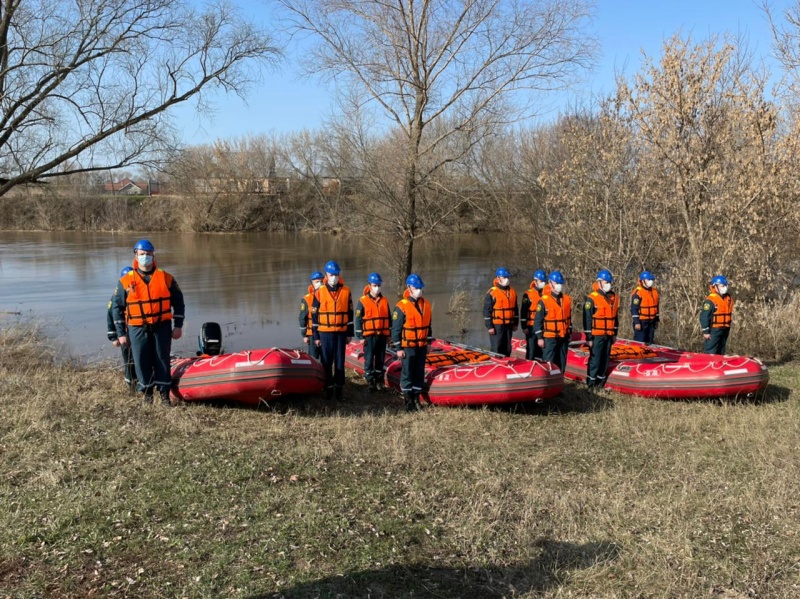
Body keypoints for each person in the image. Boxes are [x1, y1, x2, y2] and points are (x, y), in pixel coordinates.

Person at [111, 239, 185, 406]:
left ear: (153, 255)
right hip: (137, 329)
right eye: (142, 254)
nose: (145, 257)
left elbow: (179, 302)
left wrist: (178, 326)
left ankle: (165, 397)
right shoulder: (125, 281)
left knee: (162, 359)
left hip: (162, 327)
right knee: (141, 361)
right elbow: (117, 308)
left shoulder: (166, 278)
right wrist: (120, 334)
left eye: (149, 254)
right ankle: (147, 396)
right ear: (136, 255)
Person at [312, 260, 353, 400]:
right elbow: (314, 316)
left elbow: (350, 314)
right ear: (326, 275)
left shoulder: (346, 291)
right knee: (326, 361)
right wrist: (316, 336)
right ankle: (328, 388)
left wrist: (349, 333)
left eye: (336, 274)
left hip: (341, 332)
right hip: (325, 332)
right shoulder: (319, 292)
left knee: (340, 362)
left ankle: (339, 389)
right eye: (331, 274)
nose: (334, 277)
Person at [391, 274, 432, 412]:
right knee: (407, 373)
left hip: (421, 345)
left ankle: (416, 399)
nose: (419, 290)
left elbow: (428, 326)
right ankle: (408, 402)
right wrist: (398, 347)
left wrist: (428, 343)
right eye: (416, 287)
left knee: (419, 372)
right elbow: (396, 329)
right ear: (409, 288)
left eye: (420, 288)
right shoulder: (401, 306)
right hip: (407, 346)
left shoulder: (426, 304)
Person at [583, 269, 619, 390]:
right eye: (605, 282)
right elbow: (587, 319)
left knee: (605, 359)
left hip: (608, 334)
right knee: (595, 359)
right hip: (596, 334)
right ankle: (591, 384)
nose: (608, 284)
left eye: (609, 282)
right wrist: (589, 338)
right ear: (599, 282)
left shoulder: (612, 298)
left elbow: (615, 317)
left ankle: (600, 382)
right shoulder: (592, 298)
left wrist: (614, 333)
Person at [355, 272, 391, 391]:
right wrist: (360, 336)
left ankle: (379, 380)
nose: (377, 287)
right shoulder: (363, 301)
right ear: (369, 285)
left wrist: (389, 335)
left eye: (379, 285)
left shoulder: (385, 300)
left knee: (380, 359)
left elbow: (389, 319)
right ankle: (370, 381)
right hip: (369, 336)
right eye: (375, 285)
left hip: (381, 335)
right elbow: (358, 319)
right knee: (369, 359)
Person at [533, 271, 572, 373]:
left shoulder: (567, 300)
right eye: (556, 283)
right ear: (550, 283)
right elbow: (537, 321)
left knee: (562, 361)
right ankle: (548, 383)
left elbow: (569, 318)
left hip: (563, 336)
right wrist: (540, 338)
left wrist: (570, 333)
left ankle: (559, 382)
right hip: (549, 337)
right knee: (549, 361)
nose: (559, 285)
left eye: (560, 283)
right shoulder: (544, 301)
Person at [107, 266, 136, 391]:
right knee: (129, 360)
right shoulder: (116, 297)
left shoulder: (137, 292)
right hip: (123, 333)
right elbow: (110, 315)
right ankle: (131, 385)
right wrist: (114, 336)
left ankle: (143, 382)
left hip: (137, 331)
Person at [483, 267, 518, 357]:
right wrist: (489, 326)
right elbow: (487, 311)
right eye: (504, 277)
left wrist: (515, 324)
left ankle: (506, 364)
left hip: (509, 325)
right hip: (496, 325)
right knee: (497, 347)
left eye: (507, 277)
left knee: (507, 347)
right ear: (498, 278)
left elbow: (516, 309)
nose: (507, 279)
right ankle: (496, 364)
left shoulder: (513, 292)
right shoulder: (492, 292)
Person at [701, 275, 733, 355]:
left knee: (721, 350)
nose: (725, 287)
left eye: (725, 286)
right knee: (711, 350)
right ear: (715, 286)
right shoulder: (711, 300)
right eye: (722, 286)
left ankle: (719, 365)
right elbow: (704, 316)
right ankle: (709, 365)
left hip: (725, 329)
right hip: (714, 330)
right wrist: (706, 331)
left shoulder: (728, 298)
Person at [520, 269, 548, 360]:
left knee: (541, 350)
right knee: (531, 349)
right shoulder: (528, 294)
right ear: (535, 281)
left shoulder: (546, 294)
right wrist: (524, 326)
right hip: (531, 326)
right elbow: (523, 311)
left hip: (543, 326)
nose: (543, 283)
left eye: (544, 281)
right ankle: (529, 364)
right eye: (541, 281)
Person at [299, 271, 324, 360]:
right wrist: (304, 335)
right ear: (312, 283)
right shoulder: (307, 299)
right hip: (312, 333)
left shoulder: (327, 296)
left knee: (326, 357)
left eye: (321, 281)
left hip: (325, 331)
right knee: (313, 357)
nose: (320, 283)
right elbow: (302, 318)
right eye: (317, 281)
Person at [631, 271, 660, 344]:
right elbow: (634, 309)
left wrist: (656, 320)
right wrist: (637, 322)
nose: (651, 282)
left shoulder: (654, 292)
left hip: (652, 321)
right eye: (648, 280)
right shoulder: (638, 293)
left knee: (650, 341)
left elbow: (656, 307)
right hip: (642, 322)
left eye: (651, 280)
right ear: (643, 281)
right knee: (640, 341)